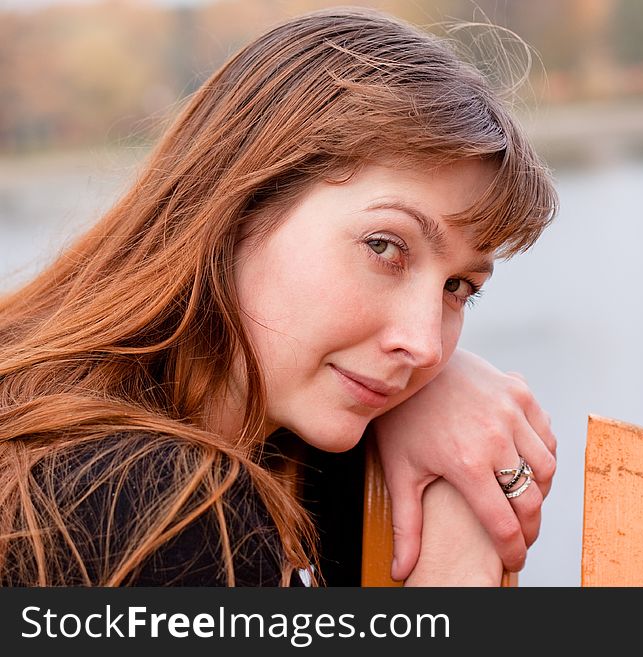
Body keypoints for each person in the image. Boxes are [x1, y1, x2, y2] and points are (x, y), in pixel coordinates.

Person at [0, 7, 557, 586]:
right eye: (385, 248)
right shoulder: (150, 505)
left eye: (457, 287)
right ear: (237, 208)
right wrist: (458, 539)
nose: (423, 346)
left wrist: (443, 398)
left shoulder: (300, 458)